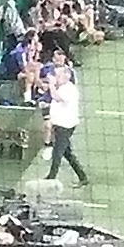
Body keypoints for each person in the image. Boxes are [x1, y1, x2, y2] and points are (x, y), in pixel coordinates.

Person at [40, 53, 89, 186]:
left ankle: (51, 178)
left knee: (57, 153)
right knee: (67, 153)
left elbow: (56, 97)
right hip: (60, 124)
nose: (56, 77)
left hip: (65, 126)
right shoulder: (62, 87)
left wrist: (50, 85)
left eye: (58, 75)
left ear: (66, 76)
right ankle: (83, 177)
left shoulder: (69, 89)